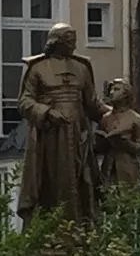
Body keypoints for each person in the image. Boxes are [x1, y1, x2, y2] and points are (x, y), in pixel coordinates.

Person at [16, 22, 100, 222]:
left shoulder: (82, 68)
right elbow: (25, 102)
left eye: (74, 41)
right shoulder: (37, 68)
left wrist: (118, 114)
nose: (74, 45)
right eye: (69, 41)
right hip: (50, 136)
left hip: (78, 133)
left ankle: (80, 225)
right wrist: (47, 112)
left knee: (82, 178)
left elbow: (92, 104)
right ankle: (52, 225)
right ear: (56, 42)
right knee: (52, 181)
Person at [88, 76, 140, 197]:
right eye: (111, 90)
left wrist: (125, 143)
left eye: (116, 89)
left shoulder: (135, 118)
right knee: (107, 197)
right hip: (108, 163)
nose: (112, 92)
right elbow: (101, 144)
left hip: (127, 164)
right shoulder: (106, 118)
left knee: (128, 197)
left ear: (126, 94)